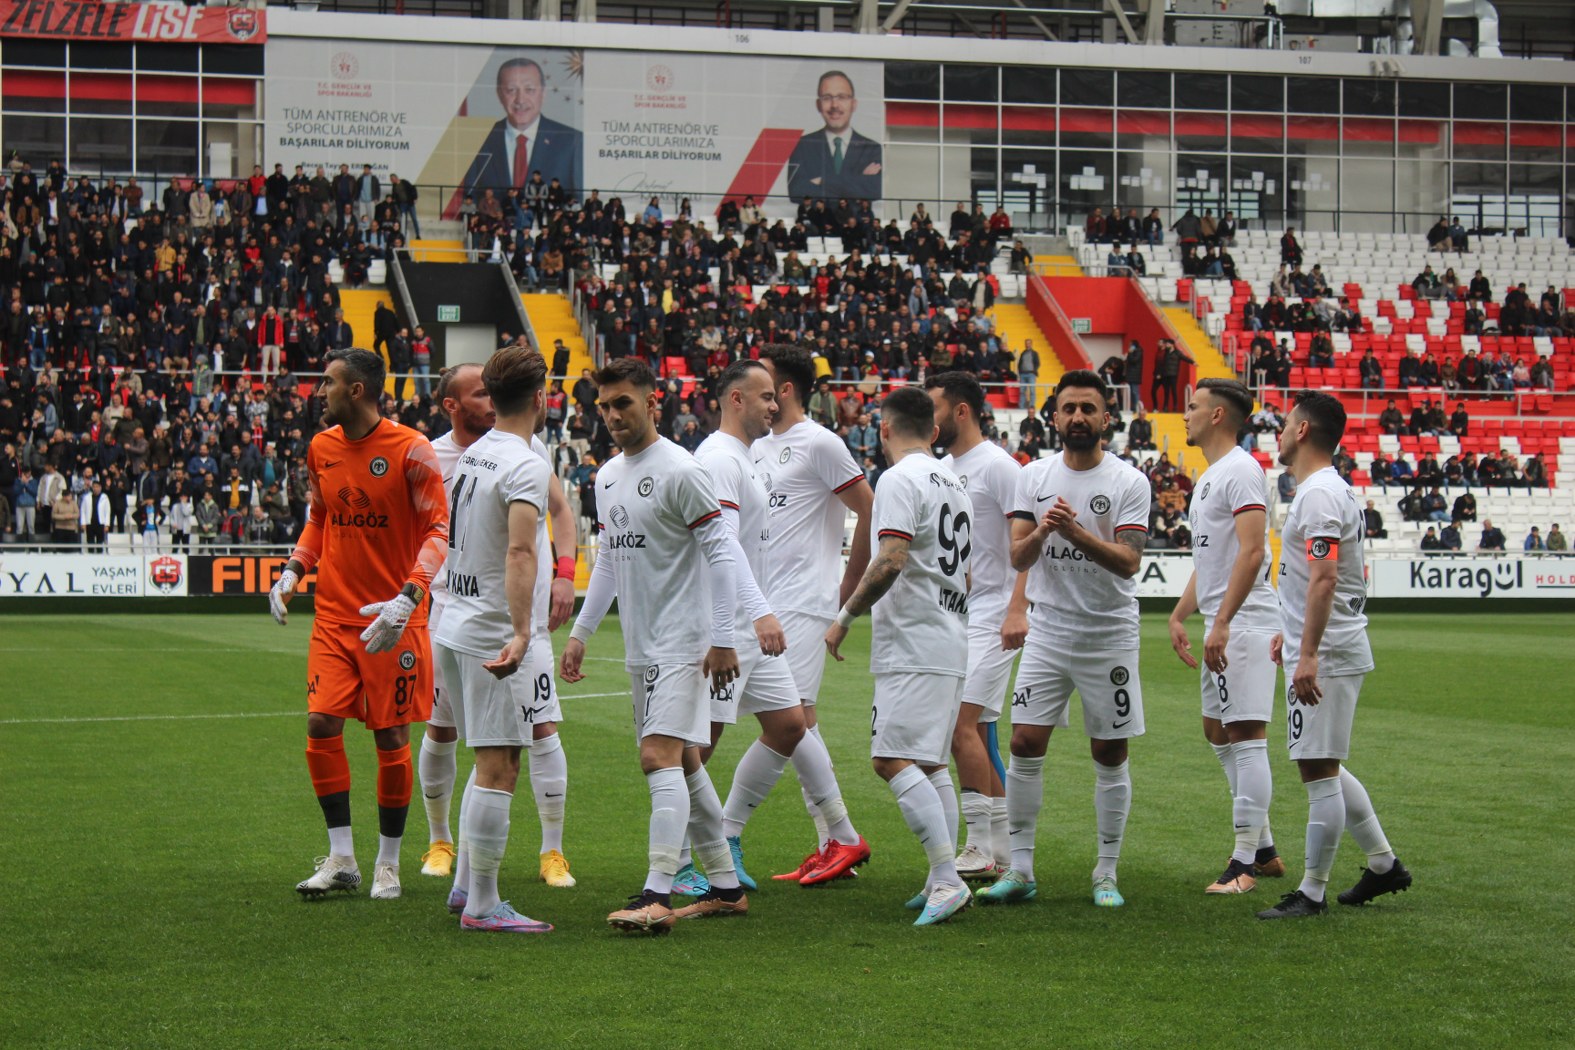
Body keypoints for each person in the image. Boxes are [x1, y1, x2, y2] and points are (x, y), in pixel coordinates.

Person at [560, 357, 746, 934]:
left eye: (624, 403)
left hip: (685, 642)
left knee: (657, 757)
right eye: (605, 406)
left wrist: (722, 639)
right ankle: (725, 888)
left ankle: (657, 894)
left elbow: (723, 554)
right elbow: (610, 561)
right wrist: (581, 633)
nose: (613, 415)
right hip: (642, 644)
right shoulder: (607, 477)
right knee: (685, 762)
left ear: (652, 402)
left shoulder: (682, 471)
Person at [268, 348, 449, 903]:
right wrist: (295, 568)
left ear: (357, 390)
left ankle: (387, 864)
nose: (318, 391)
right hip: (333, 615)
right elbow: (320, 517)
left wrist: (409, 596)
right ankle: (342, 858)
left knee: (390, 736)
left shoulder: (411, 449)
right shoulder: (321, 447)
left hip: (393, 619)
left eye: (328, 382)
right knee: (321, 723)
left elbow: (438, 531)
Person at [979, 370, 1151, 909]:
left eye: (1088, 408)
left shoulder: (1129, 481)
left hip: (1108, 634)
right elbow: (1017, 556)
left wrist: (1074, 531)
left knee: (1109, 750)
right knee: (1024, 743)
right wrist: (1044, 529)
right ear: (1053, 417)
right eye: (1069, 408)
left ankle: (1106, 872)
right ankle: (1021, 869)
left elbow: (1129, 561)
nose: (1078, 417)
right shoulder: (1033, 476)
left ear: (1106, 418)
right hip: (1049, 631)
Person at [418, 363, 580, 901]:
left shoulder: (478, 453)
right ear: (540, 398)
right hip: (492, 628)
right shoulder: (522, 461)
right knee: (498, 765)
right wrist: (521, 632)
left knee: (491, 757)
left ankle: (467, 886)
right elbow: (519, 550)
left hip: (459, 622)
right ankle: (483, 903)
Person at [695, 361, 853, 904]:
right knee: (696, 745)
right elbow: (723, 546)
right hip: (731, 623)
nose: (773, 404)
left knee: (789, 725)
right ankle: (677, 860)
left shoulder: (749, 456)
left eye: (774, 395)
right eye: (763, 396)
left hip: (759, 620)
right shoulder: (720, 458)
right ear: (735, 399)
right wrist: (753, 615)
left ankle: (729, 835)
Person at [824, 385, 973, 926]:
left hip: (915, 640)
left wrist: (843, 618)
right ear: (933, 431)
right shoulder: (954, 482)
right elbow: (966, 574)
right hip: (949, 634)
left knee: (890, 759)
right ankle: (939, 877)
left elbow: (890, 559)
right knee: (930, 764)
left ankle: (949, 879)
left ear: (883, 429)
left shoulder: (898, 479)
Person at [1259, 390, 1411, 919]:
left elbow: (1324, 580)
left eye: (1285, 424)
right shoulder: (1325, 490)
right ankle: (1383, 864)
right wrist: (1291, 631)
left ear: (1302, 430)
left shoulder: (1320, 494)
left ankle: (1312, 891)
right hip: (1324, 644)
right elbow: (1313, 578)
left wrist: (1308, 653)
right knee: (1320, 761)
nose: (1279, 433)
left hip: (1329, 652)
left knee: (1318, 768)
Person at [747, 345, 876, 884]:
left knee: (791, 717)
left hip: (803, 600)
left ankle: (841, 836)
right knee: (802, 723)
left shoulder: (820, 442)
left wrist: (849, 588)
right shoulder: (754, 447)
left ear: (785, 389)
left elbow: (868, 507)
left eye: (763, 380)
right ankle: (832, 844)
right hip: (763, 604)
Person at [1168, 379, 1284, 895]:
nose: (1185, 414)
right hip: (1225, 620)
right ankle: (1265, 850)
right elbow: (1211, 561)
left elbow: (1253, 551)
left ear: (1217, 416)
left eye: (1193, 406)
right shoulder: (1212, 476)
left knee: (1246, 735)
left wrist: (1222, 622)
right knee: (1217, 731)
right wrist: (1180, 614)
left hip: (1247, 621)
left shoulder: (1241, 470)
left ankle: (1242, 865)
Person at [927, 372, 1023, 880]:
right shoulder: (943, 469)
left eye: (936, 408)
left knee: (959, 725)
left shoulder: (999, 467)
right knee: (979, 733)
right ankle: (1005, 856)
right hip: (960, 614)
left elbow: (1026, 542)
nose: (929, 418)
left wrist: (1018, 608)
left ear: (961, 411)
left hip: (994, 614)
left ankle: (979, 845)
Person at [462, 57, 583, 197]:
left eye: (529, 89)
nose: (520, 100)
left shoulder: (572, 142)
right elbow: (468, 197)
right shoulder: (479, 139)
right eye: (511, 90)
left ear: (543, 93)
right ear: (499, 94)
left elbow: (578, 199)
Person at [786, 70, 883, 201]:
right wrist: (857, 181)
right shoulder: (802, 145)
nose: (834, 105)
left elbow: (874, 191)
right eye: (827, 98)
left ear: (853, 104)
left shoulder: (872, 148)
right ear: (818, 105)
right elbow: (796, 192)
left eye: (842, 97)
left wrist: (823, 180)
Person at [1017, 339, 1040, 411]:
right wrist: (1020, 372)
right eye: (1026, 343)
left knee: (1032, 390)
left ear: (1031, 344)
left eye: (1029, 343)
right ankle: (1021, 406)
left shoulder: (1034, 353)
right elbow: (1019, 364)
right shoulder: (1023, 353)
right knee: (1022, 391)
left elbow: (1037, 363)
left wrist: (1034, 370)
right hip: (1023, 374)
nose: (1027, 344)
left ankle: (1032, 406)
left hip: (1031, 374)